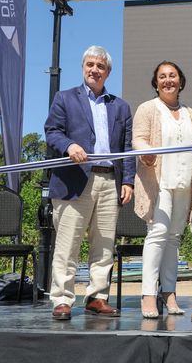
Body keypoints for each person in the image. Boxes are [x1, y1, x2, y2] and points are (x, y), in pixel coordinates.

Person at [45, 45, 135, 321]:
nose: (95, 69)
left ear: (108, 72)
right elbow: (52, 131)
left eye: (101, 66)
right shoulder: (64, 98)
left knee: (104, 245)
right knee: (67, 245)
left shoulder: (120, 106)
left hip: (110, 180)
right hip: (74, 180)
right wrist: (69, 144)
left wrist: (128, 180)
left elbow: (127, 147)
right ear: (83, 67)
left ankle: (97, 297)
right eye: (90, 65)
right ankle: (62, 299)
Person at [132, 61, 192, 318]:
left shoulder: (189, 113)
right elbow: (138, 138)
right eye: (162, 77)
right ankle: (149, 295)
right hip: (158, 181)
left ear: (180, 81)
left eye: (172, 76)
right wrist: (147, 154)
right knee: (158, 234)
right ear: (156, 82)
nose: (167, 80)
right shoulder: (148, 109)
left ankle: (169, 293)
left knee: (174, 239)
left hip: (184, 182)